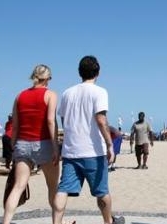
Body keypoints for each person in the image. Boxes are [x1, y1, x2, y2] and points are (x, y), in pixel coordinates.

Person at [53, 55, 125, 224]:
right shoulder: (100, 92)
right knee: (102, 191)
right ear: (97, 72)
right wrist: (109, 145)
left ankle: (56, 222)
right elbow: (101, 120)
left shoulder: (67, 93)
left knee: (63, 190)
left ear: (80, 72)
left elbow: (64, 121)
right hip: (93, 151)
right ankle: (108, 221)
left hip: (71, 151)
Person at [2, 64, 60, 224]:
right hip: (44, 144)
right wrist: (55, 146)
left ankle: (5, 221)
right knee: (53, 187)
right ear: (47, 78)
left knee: (18, 186)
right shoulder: (50, 95)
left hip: (22, 144)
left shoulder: (20, 96)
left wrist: (13, 144)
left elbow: (16, 124)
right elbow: (50, 121)